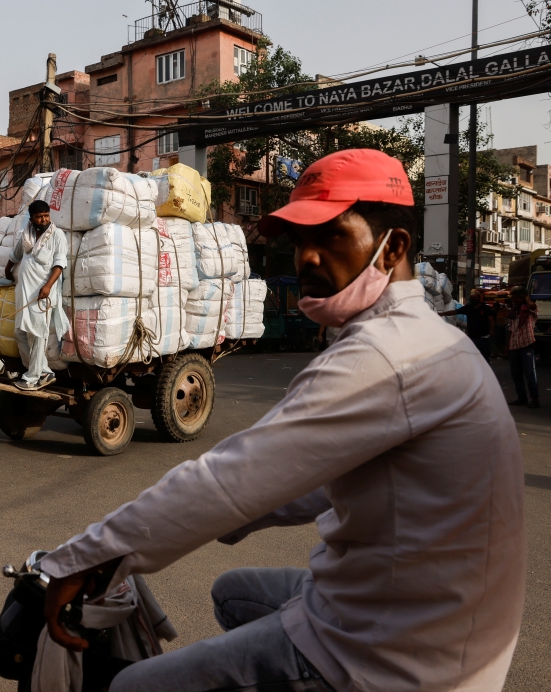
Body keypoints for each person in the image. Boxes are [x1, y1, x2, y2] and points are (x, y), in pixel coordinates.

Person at [39, 150, 525, 692]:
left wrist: (77, 561)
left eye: (332, 236)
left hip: (394, 656)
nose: (309, 257)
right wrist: (227, 516)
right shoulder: (431, 338)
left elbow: (228, 480)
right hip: (444, 616)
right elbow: (301, 481)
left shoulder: (386, 355)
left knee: (131, 688)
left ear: (395, 248)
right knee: (233, 591)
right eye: (299, 242)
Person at [5, 199, 69, 391]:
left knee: (38, 334)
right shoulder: (26, 235)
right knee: (20, 333)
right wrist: (7, 272)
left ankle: (33, 377)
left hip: (43, 294)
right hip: (24, 294)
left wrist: (48, 286)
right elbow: (14, 256)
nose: (44, 219)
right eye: (39, 216)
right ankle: (43, 371)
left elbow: (59, 265)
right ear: (32, 219)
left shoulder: (57, 235)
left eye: (46, 215)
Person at [439, 288, 495, 362]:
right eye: (472, 298)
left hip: (483, 337)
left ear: (479, 298)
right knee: (473, 357)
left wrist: (492, 330)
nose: (474, 299)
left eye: (475, 298)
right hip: (472, 337)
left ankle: (485, 371)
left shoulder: (485, 308)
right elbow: (455, 312)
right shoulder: (468, 308)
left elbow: (491, 319)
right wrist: (443, 313)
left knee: (484, 357)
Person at [506, 285, 540, 408]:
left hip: (526, 344)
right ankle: (522, 398)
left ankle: (535, 399)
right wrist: (507, 347)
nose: (514, 300)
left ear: (523, 297)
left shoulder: (530, 310)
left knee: (530, 373)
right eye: (513, 298)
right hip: (514, 346)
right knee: (516, 374)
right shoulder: (513, 311)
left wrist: (526, 297)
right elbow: (511, 330)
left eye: (516, 298)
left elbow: (532, 306)